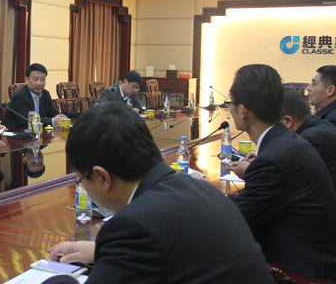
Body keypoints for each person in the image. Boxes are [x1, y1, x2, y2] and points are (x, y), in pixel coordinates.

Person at [48, 102, 273, 284]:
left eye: (81, 179)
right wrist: (106, 252)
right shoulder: (201, 189)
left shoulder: (133, 226)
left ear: (103, 177)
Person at [226, 64, 336, 280]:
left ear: (243, 111)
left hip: (301, 272)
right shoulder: (287, 142)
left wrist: (199, 195)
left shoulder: (276, 157)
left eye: (230, 104)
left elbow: (237, 219)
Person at [231, 87, 336, 190]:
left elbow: (284, 182)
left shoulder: (309, 139)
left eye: (270, 124)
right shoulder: (319, 126)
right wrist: (263, 158)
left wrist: (250, 171)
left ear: (286, 122)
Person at [2, 63, 66, 129]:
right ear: (27, 80)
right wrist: (52, 121)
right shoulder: (20, 96)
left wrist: (61, 117)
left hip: (37, 132)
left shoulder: (45, 94)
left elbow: (53, 113)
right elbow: (26, 120)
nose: (39, 83)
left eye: (42, 79)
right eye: (35, 79)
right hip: (16, 132)